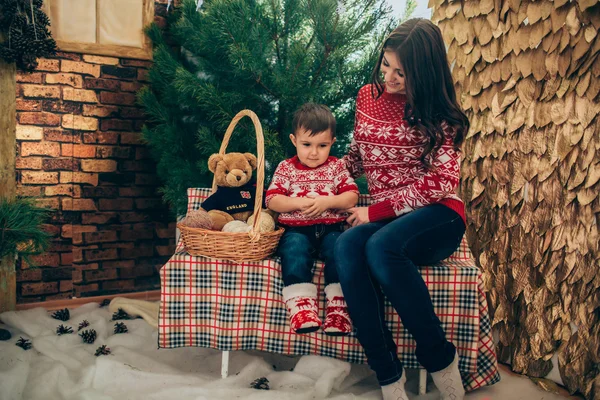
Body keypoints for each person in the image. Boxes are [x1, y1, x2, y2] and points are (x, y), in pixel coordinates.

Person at [334, 19, 470, 400]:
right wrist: (315, 176)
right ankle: (387, 372)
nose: (389, 78)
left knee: (380, 246)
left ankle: (440, 358)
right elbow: (360, 159)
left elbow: (442, 182)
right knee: (347, 247)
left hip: (438, 217)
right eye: (386, 65)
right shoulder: (366, 97)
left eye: (401, 72)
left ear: (423, 73)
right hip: (390, 219)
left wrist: (376, 213)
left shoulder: (440, 112)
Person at [266, 103, 359, 336]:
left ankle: (339, 307)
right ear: (294, 140)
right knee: (294, 250)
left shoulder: (336, 167)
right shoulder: (286, 168)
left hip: (331, 228)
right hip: (297, 230)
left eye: (322, 145)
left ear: (332, 143)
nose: (314, 152)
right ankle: (301, 306)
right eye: (306, 145)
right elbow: (273, 200)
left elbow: (351, 197)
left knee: (340, 250)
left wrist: (327, 202)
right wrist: (298, 203)